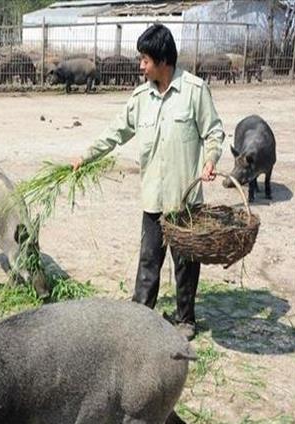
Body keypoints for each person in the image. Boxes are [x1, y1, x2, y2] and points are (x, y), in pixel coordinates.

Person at [72, 24, 225, 340]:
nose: (140, 66)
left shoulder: (195, 92)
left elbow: (214, 132)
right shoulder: (140, 98)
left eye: (145, 59)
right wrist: (86, 155)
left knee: (185, 264)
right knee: (148, 261)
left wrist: (210, 159)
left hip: (185, 200)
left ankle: (185, 320)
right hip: (153, 198)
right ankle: (140, 318)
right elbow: (116, 132)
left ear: (162, 60)